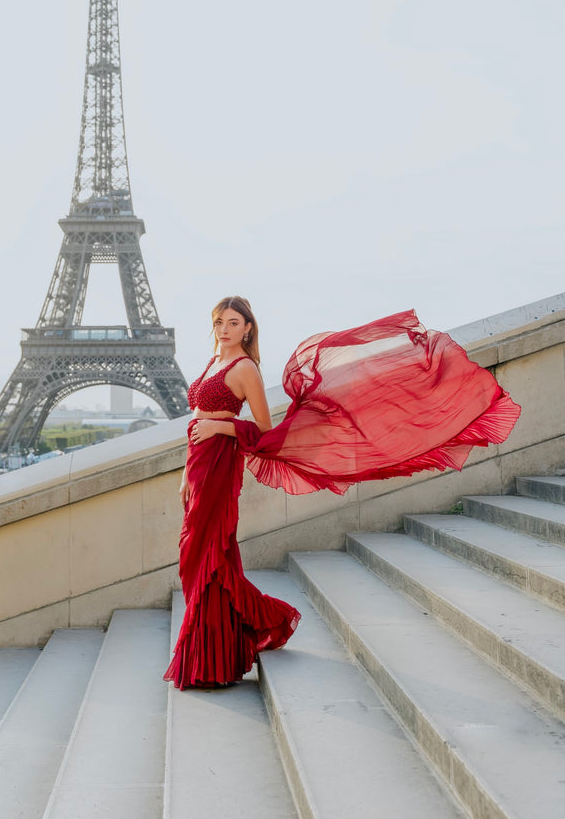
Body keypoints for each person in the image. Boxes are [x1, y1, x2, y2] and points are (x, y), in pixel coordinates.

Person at [163, 296, 521, 691]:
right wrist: (184, 472)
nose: (224, 329)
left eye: (232, 322)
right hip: (197, 466)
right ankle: (255, 624)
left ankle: (210, 658)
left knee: (208, 550)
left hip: (219, 466)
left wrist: (222, 429)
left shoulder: (245, 368)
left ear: (247, 327)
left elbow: (264, 429)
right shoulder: (212, 362)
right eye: (219, 322)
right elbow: (196, 421)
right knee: (200, 553)